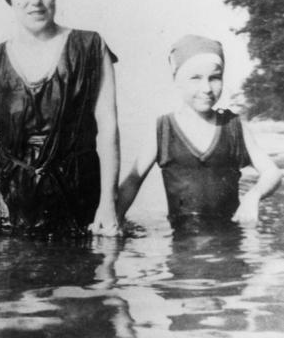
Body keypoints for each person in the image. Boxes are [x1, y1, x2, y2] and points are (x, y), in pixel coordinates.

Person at [0, 0, 120, 236]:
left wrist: (108, 204)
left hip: (79, 198)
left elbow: (109, 127)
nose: (35, 0)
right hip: (11, 204)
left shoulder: (90, 46)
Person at [117, 34, 282, 229]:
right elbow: (132, 182)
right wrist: (114, 218)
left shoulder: (233, 126)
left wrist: (253, 196)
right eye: (195, 78)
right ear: (176, 80)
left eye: (214, 78)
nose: (206, 88)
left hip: (229, 239)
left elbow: (272, 172)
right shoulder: (164, 130)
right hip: (182, 245)